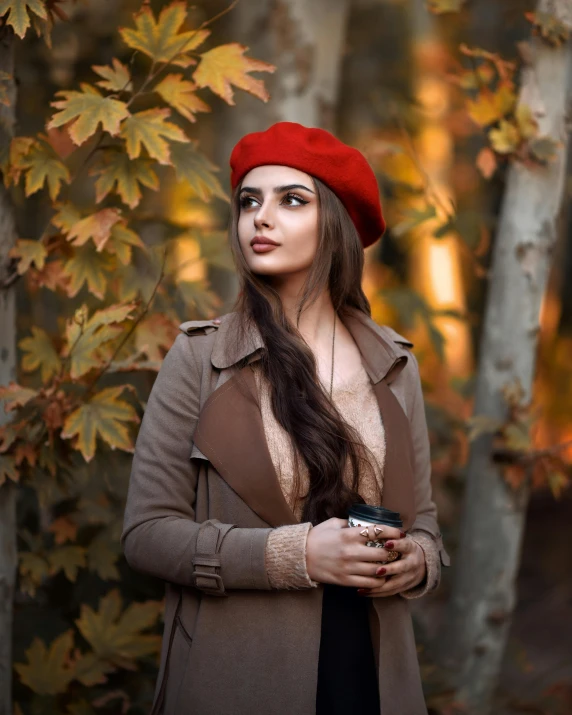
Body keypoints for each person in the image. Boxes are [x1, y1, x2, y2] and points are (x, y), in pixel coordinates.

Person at [121, 121, 450, 715]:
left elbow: (421, 519)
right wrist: (291, 557)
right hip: (240, 671)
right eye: (249, 201)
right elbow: (146, 536)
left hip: (373, 670)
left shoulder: (395, 364)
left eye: (291, 200)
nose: (260, 218)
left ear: (336, 227)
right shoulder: (200, 358)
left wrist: (417, 560)